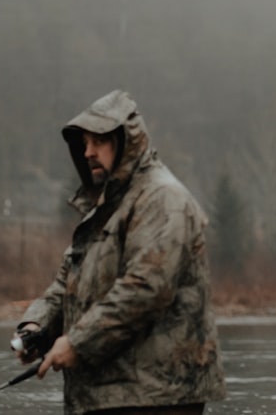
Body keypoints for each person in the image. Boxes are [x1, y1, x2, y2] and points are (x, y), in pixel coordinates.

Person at [14, 89, 226, 415]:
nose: (88, 152)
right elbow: (66, 285)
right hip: (109, 395)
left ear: (125, 140)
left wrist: (76, 343)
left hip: (159, 397)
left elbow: (145, 289)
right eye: (83, 144)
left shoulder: (163, 199)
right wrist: (35, 327)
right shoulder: (102, 211)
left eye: (98, 141)